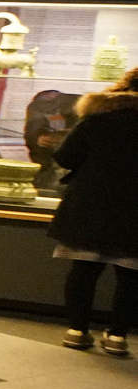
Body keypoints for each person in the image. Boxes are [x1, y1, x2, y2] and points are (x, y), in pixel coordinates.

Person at [52, 74, 138, 356]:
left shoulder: (98, 118)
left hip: (89, 204)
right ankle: (117, 337)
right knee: (130, 276)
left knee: (84, 269)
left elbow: (65, 157)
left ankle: (77, 330)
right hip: (134, 211)